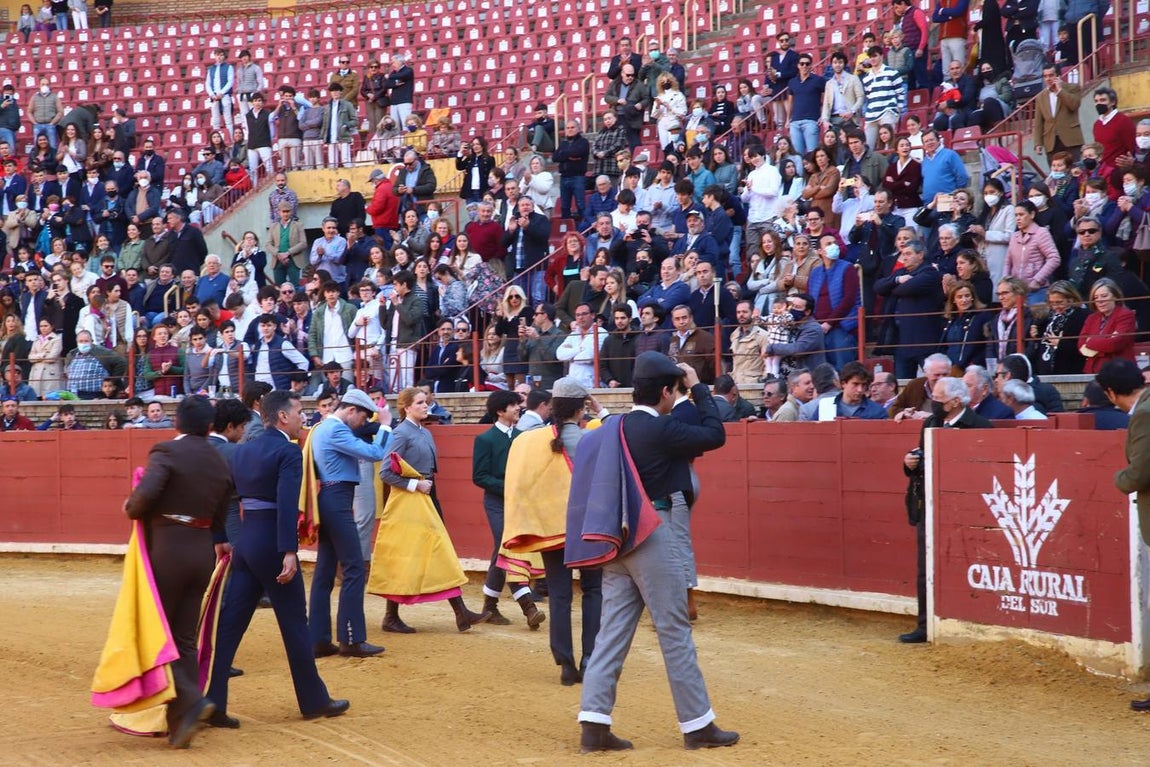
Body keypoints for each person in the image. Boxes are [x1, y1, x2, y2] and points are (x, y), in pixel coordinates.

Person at [571, 352, 737, 752]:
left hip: (616, 540)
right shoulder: (663, 430)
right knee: (674, 630)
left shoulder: (610, 428)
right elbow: (716, 433)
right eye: (674, 391)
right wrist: (697, 386)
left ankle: (593, 724)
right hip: (653, 534)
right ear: (666, 391)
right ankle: (697, 725)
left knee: (611, 631)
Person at [206, 391, 350, 728]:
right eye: (300, 411)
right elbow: (287, 504)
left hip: (246, 544)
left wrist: (220, 538)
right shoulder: (287, 450)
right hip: (272, 545)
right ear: (282, 417)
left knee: (229, 626)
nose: (304, 417)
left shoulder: (241, 452)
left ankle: (213, 700)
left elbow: (220, 497)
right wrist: (289, 550)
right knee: (295, 625)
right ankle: (314, 700)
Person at [123, 396, 233, 747]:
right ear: (210, 426)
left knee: (159, 635)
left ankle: (190, 698)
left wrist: (131, 505)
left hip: (168, 550)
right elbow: (219, 519)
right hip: (201, 552)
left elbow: (142, 500)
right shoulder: (220, 460)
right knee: (184, 638)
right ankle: (179, 724)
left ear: (178, 423)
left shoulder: (166, 451)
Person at [501, 377, 603, 685]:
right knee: (593, 591)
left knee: (559, 595)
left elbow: (521, 487)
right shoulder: (594, 437)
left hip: (550, 529)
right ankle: (590, 658)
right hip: (588, 529)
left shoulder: (530, 441)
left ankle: (565, 663)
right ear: (581, 407)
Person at [372, 386, 491, 632]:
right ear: (406, 408)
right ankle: (393, 616)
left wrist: (424, 487)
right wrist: (415, 484)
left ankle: (460, 613)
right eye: (419, 403)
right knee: (414, 554)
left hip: (426, 496)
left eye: (426, 402)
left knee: (438, 551)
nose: (426, 406)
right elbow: (385, 472)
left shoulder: (423, 432)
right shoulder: (401, 433)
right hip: (409, 499)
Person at [899, 377, 991, 645]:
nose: (934, 404)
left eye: (939, 400)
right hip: (929, 504)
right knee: (924, 567)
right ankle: (924, 625)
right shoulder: (931, 423)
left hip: (966, 512)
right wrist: (909, 463)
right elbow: (920, 466)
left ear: (956, 401)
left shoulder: (980, 427)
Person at [305, 389, 387, 658]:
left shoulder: (324, 428)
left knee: (326, 570)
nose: (363, 422)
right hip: (337, 500)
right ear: (351, 410)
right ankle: (351, 639)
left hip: (330, 498)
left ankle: (318, 639)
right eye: (363, 416)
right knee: (353, 567)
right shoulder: (336, 430)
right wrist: (385, 426)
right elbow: (375, 453)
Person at [472, 389, 546, 628]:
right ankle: (528, 606)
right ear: (500, 411)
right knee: (508, 548)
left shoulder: (522, 438)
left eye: (518, 404)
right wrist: (509, 487)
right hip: (497, 502)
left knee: (501, 552)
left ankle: (489, 606)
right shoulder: (485, 439)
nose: (518, 408)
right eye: (513, 405)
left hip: (520, 503)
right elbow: (479, 476)